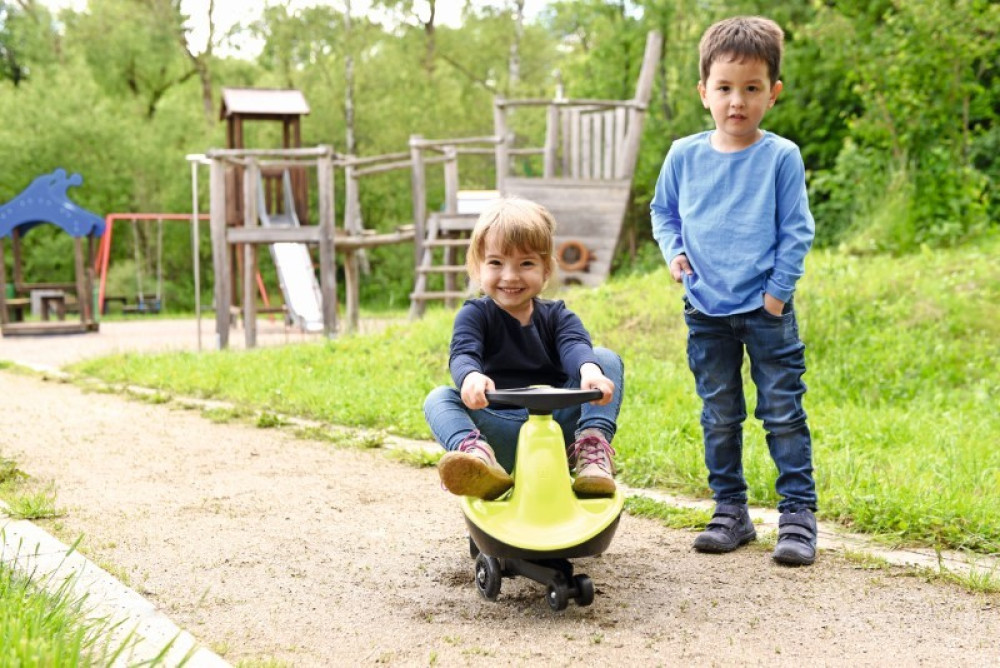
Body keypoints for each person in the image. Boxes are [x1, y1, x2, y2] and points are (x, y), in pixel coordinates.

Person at [650, 16, 818, 565]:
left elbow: (796, 229)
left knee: (782, 412)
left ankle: (797, 516)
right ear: (704, 92)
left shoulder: (780, 157)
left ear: (773, 92)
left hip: (766, 311)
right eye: (724, 88)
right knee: (719, 414)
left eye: (751, 89)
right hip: (705, 308)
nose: (736, 102)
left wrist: (777, 293)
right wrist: (673, 251)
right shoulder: (683, 155)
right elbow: (663, 212)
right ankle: (730, 510)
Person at [423, 196, 624, 500]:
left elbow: (574, 346)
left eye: (526, 263)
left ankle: (590, 449)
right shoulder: (475, 314)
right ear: (478, 268)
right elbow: (464, 353)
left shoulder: (557, 315)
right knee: (438, 398)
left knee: (604, 357)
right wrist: (471, 377)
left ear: (545, 270)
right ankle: (477, 457)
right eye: (496, 263)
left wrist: (589, 370)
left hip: (558, 429)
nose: (510, 276)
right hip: (500, 428)